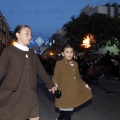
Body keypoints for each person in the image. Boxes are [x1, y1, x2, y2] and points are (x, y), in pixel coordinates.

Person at [0, 25, 57, 120]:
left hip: (30, 93)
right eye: (27, 33)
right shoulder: (9, 51)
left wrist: (50, 84)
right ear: (17, 34)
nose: (30, 36)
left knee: (35, 116)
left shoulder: (32, 53)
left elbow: (41, 70)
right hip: (13, 93)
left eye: (31, 34)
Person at [52, 43, 93, 120]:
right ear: (62, 53)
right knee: (67, 113)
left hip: (72, 92)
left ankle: (59, 119)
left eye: (71, 52)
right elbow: (56, 76)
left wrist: (86, 86)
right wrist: (55, 84)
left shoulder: (75, 64)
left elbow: (78, 77)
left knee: (67, 111)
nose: (69, 54)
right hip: (64, 92)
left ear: (73, 53)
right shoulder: (59, 64)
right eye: (67, 52)